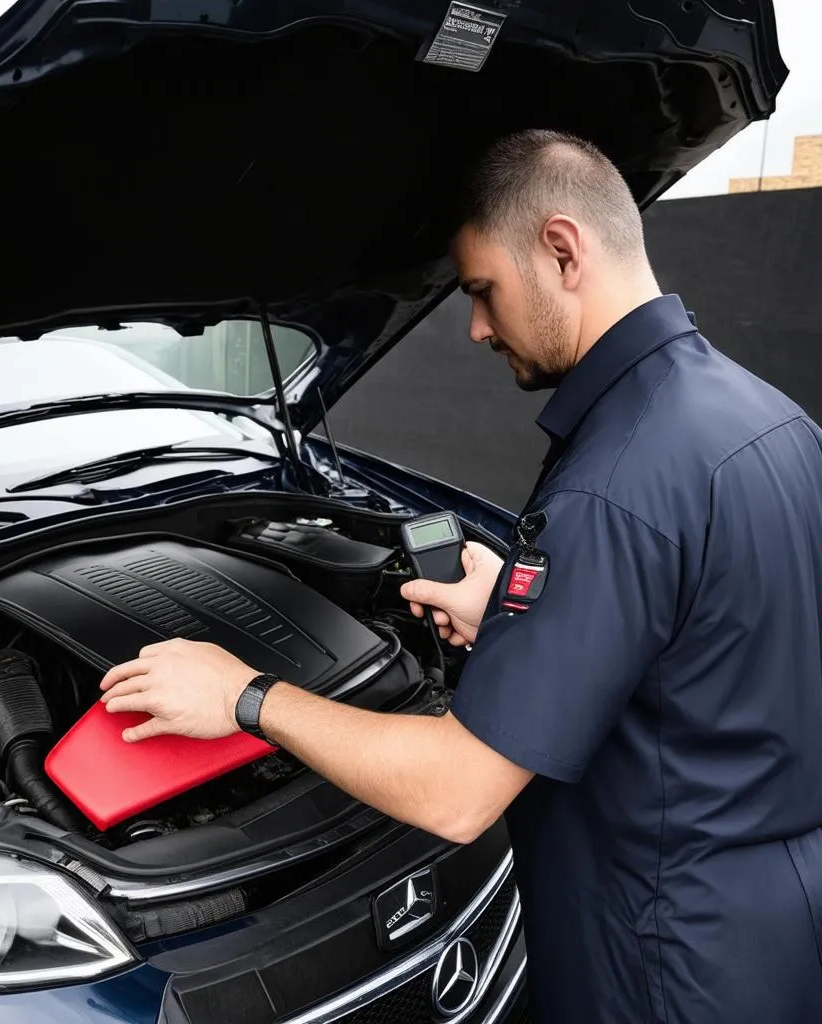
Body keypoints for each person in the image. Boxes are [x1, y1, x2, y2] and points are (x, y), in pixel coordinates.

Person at [97, 130, 822, 1022]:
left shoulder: (618, 479)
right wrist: (527, 625)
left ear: (561, 250)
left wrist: (244, 694)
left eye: (483, 290)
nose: (476, 325)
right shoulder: (769, 421)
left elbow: (456, 794)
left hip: (663, 962)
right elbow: (726, 645)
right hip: (778, 928)